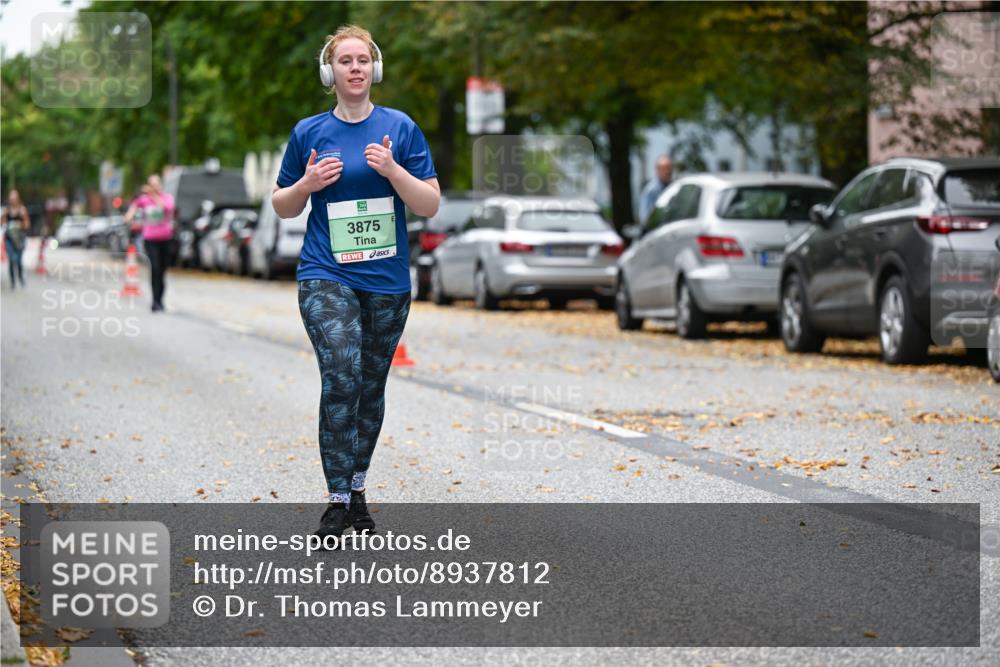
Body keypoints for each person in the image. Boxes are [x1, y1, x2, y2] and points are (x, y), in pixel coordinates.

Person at [271, 25, 439, 543]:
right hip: (326, 273)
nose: (355, 68)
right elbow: (282, 205)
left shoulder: (400, 128)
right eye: (345, 60)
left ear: (375, 68)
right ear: (331, 72)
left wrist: (392, 171)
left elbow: (429, 204)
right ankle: (336, 499)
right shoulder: (309, 133)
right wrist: (306, 184)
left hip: (387, 281)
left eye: (363, 59)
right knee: (342, 374)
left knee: (369, 389)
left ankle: (358, 489)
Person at [124, 174, 175, 312]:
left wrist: (154, 195)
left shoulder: (167, 198)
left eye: (156, 184)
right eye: (151, 185)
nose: (154, 187)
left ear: (160, 185)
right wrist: (129, 215)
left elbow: (165, 208)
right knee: (155, 269)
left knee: (162, 271)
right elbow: (134, 206)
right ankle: (155, 302)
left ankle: (160, 299)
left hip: (165, 238)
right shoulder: (144, 200)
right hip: (150, 239)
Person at [1, 190, 29, 289]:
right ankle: (12, 282)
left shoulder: (22, 210)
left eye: (14, 199)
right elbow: (2, 222)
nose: (12, 201)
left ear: (18, 199)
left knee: (19, 261)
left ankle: (20, 277)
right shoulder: (7, 210)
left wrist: (19, 224)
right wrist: (4, 221)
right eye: (11, 199)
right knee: (12, 260)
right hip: (9, 238)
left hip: (20, 238)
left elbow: (27, 224)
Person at [637, 155, 674, 224]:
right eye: (664, 168)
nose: (668, 171)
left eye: (669, 168)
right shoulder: (651, 190)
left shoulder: (673, 187)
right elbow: (645, 217)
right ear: (657, 170)